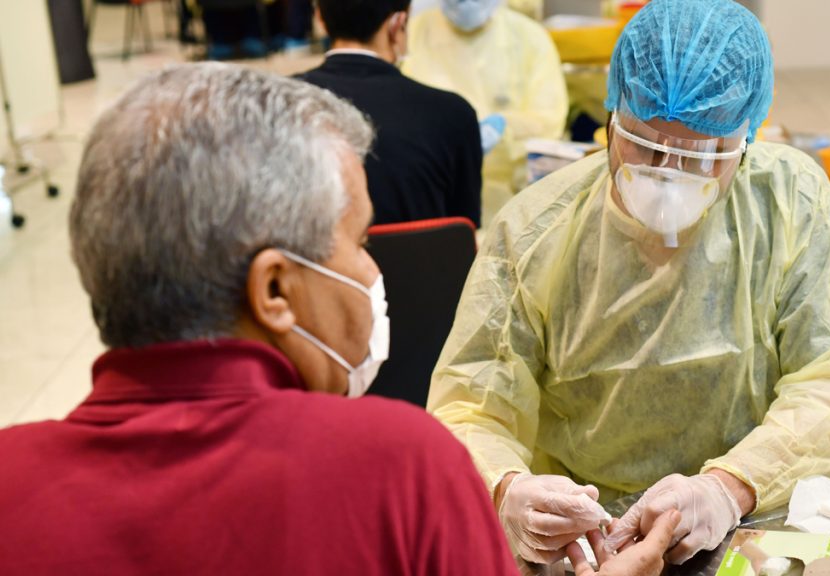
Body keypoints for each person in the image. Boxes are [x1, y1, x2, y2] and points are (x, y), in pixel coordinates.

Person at [0, 63, 514, 575]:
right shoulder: (401, 469)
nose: (371, 270)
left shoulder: (12, 481)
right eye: (359, 241)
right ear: (274, 290)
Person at [427, 0, 830, 567]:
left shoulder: (788, 201)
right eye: (644, 146)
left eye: (700, 156)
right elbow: (471, 405)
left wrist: (729, 485)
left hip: (753, 516)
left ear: (746, 138)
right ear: (612, 114)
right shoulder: (535, 229)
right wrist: (508, 489)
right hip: (586, 538)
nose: (668, 178)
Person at [296, 0, 482, 227]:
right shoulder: (454, 114)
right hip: (422, 263)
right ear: (398, 24)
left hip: (314, 262)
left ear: (319, 19)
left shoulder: (279, 102)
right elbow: (463, 233)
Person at [403, 0, 568, 225]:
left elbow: (549, 118)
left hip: (512, 206)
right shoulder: (414, 33)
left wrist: (502, 127)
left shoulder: (529, 37)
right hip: (433, 202)